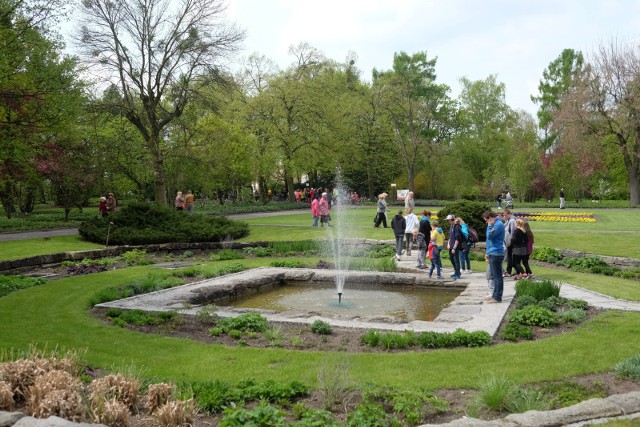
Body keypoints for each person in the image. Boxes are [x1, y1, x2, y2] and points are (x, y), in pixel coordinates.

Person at [483, 210, 506, 303]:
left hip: (496, 253)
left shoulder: (498, 225)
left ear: (490, 218)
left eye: (486, 220)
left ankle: (497, 297)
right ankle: (494, 295)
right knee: (494, 276)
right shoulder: (495, 224)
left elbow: (489, 236)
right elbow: (488, 241)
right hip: (492, 252)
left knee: (497, 277)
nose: (486, 222)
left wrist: (489, 226)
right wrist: (487, 252)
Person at [445, 214, 464, 280]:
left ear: (452, 220)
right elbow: (450, 236)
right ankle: (456, 271)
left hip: (455, 246)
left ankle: (458, 274)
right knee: (451, 258)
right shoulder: (451, 226)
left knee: (456, 260)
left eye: (448, 220)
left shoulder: (457, 227)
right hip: (451, 245)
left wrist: (454, 248)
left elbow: (457, 238)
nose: (448, 222)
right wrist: (448, 244)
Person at [503, 209, 516, 277]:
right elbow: (503, 226)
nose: (504, 216)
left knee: (510, 256)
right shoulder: (509, 220)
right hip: (508, 241)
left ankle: (509, 271)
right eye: (503, 215)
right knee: (510, 256)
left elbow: (512, 232)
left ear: (509, 214)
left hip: (510, 241)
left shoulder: (512, 221)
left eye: (505, 215)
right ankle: (512, 270)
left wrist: (510, 241)